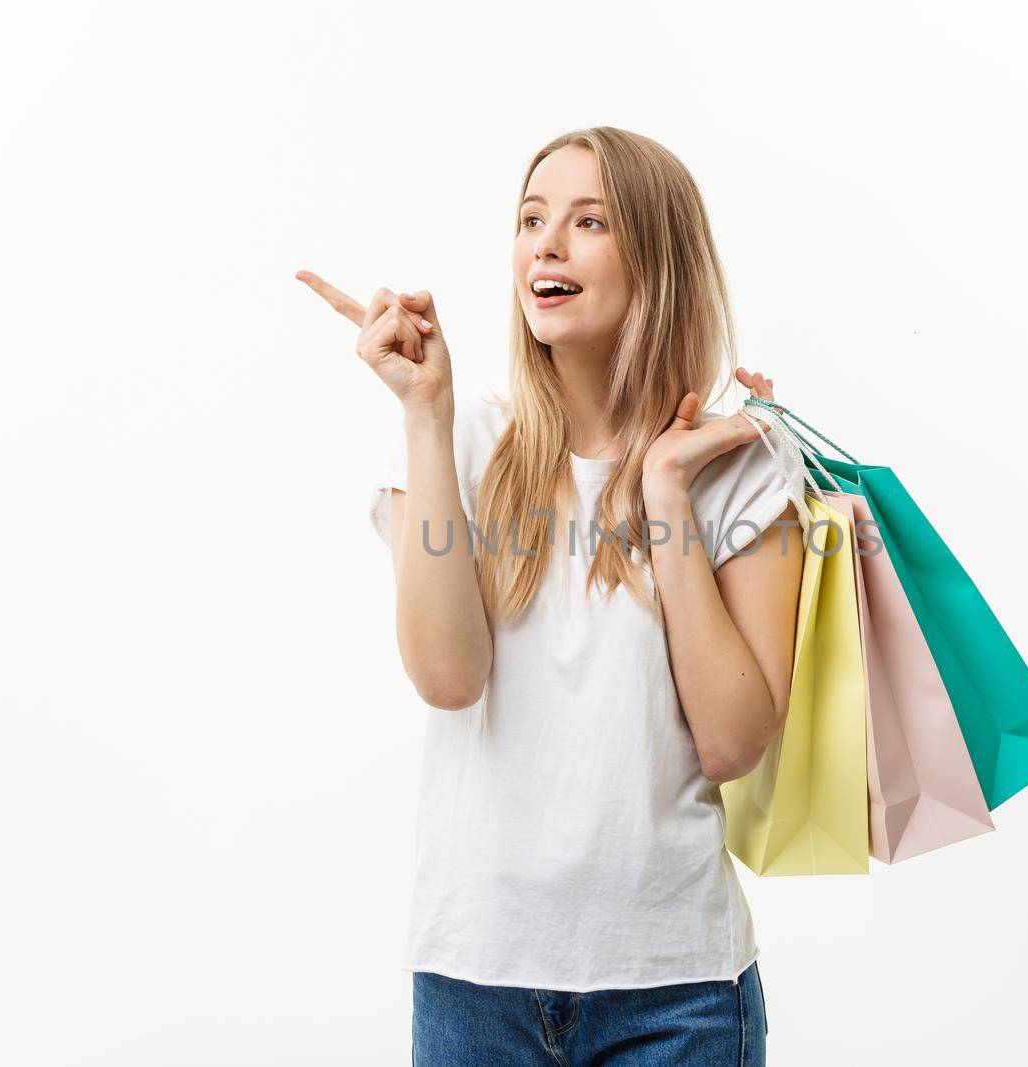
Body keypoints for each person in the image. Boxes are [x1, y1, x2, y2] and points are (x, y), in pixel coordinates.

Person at [297, 126, 807, 1066]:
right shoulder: (460, 435)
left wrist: (663, 495)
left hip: (679, 992)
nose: (546, 244)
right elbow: (448, 678)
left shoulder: (740, 465)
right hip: (474, 981)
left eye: (588, 221)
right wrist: (425, 414)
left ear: (656, 258)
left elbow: (734, 741)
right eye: (532, 219)